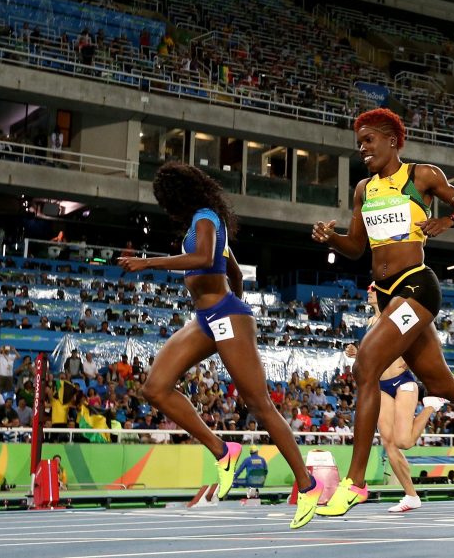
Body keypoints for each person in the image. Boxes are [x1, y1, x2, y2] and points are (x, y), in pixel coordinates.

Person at [312, 108, 454, 516]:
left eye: (369, 141)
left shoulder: (421, 176)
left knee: (365, 366)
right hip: (386, 292)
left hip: (416, 286)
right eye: (359, 143)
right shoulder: (364, 189)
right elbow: (357, 247)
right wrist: (332, 239)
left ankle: (355, 483)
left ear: (391, 141)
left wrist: (446, 221)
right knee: (442, 383)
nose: (362, 149)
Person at [118, 163, 322, 529]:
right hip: (208, 320)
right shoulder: (202, 223)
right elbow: (233, 270)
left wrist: (148, 263)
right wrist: (232, 308)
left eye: (166, 201)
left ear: (177, 197)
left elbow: (205, 259)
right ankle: (223, 450)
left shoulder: (206, 218)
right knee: (155, 387)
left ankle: (307, 486)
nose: (166, 208)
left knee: (259, 404)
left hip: (224, 317)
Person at [343, 286, 446, 513]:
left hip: (403, 382)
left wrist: (414, 359)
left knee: (404, 442)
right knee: (389, 444)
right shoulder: (370, 323)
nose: (368, 291)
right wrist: (356, 353)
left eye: (372, 288)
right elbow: (375, 355)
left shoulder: (395, 316)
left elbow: (426, 335)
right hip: (380, 386)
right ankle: (411, 496)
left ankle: (431, 405)